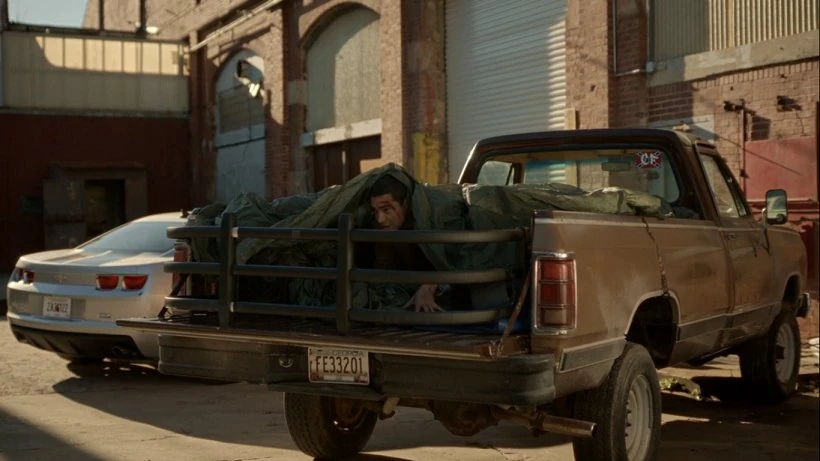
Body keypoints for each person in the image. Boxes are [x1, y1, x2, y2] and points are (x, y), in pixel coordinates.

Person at [356, 174, 442, 312]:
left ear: (405, 204)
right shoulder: (372, 230)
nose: (380, 219)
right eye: (375, 211)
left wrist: (429, 286)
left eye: (386, 209)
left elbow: (447, 263)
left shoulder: (426, 225)